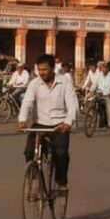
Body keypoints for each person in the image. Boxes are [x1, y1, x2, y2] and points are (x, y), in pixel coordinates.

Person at [18, 54, 77, 191]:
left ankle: (61, 182)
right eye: (39, 70)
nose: (42, 73)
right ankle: (33, 179)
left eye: (44, 69)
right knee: (29, 152)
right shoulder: (34, 84)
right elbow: (27, 103)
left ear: (52, 69)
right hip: (40, 124)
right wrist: (22, 120)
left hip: (59, 125)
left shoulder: (64, 83)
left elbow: (72, 105)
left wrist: (68, 122)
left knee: (61, 153)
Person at [95, 61, 110, 132]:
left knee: (109, 110)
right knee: (92, 104)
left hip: (109, 96)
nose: (104, 69)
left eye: (105, 68)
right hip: (100, 95)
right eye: (103, 68)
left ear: (108, 69)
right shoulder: (99, 75)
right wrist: (91, 90)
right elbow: (94, 84)